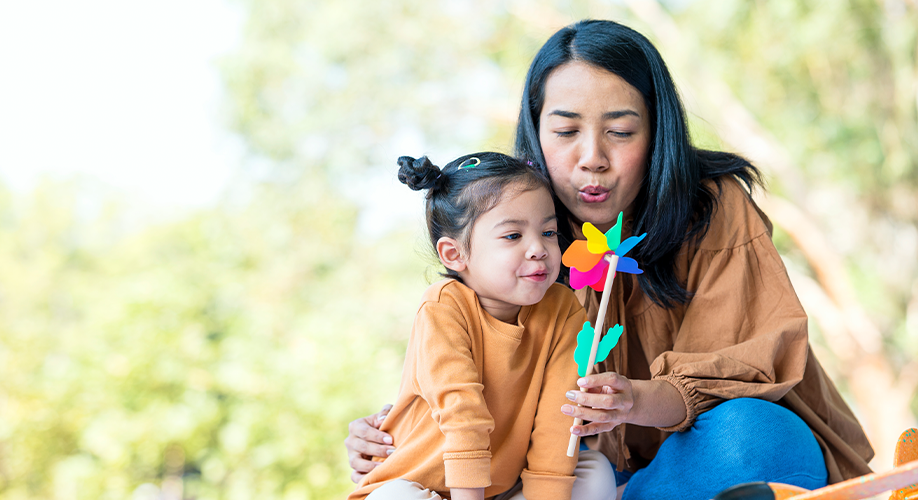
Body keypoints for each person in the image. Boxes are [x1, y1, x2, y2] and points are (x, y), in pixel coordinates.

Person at [345, 20, 873, 500]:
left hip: (683, 470)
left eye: (620, 131)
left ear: (656, 132)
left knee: (757, 438)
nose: (592, 157)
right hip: (557, 474)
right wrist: (398, 435)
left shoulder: (713, 206)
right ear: (535, 132)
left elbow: (750, 366)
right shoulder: (514, 229)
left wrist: (636, 401)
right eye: (566, 131)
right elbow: (465, 377)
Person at [350, 153, 616, 500]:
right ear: (454, 254)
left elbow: (558, 420)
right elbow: (464, 417)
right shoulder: (443, 307)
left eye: (548, 231)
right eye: (512, 236)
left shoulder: (563, 308)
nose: (539, 249)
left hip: (505, 487)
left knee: (594, 473)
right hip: (423, 484)